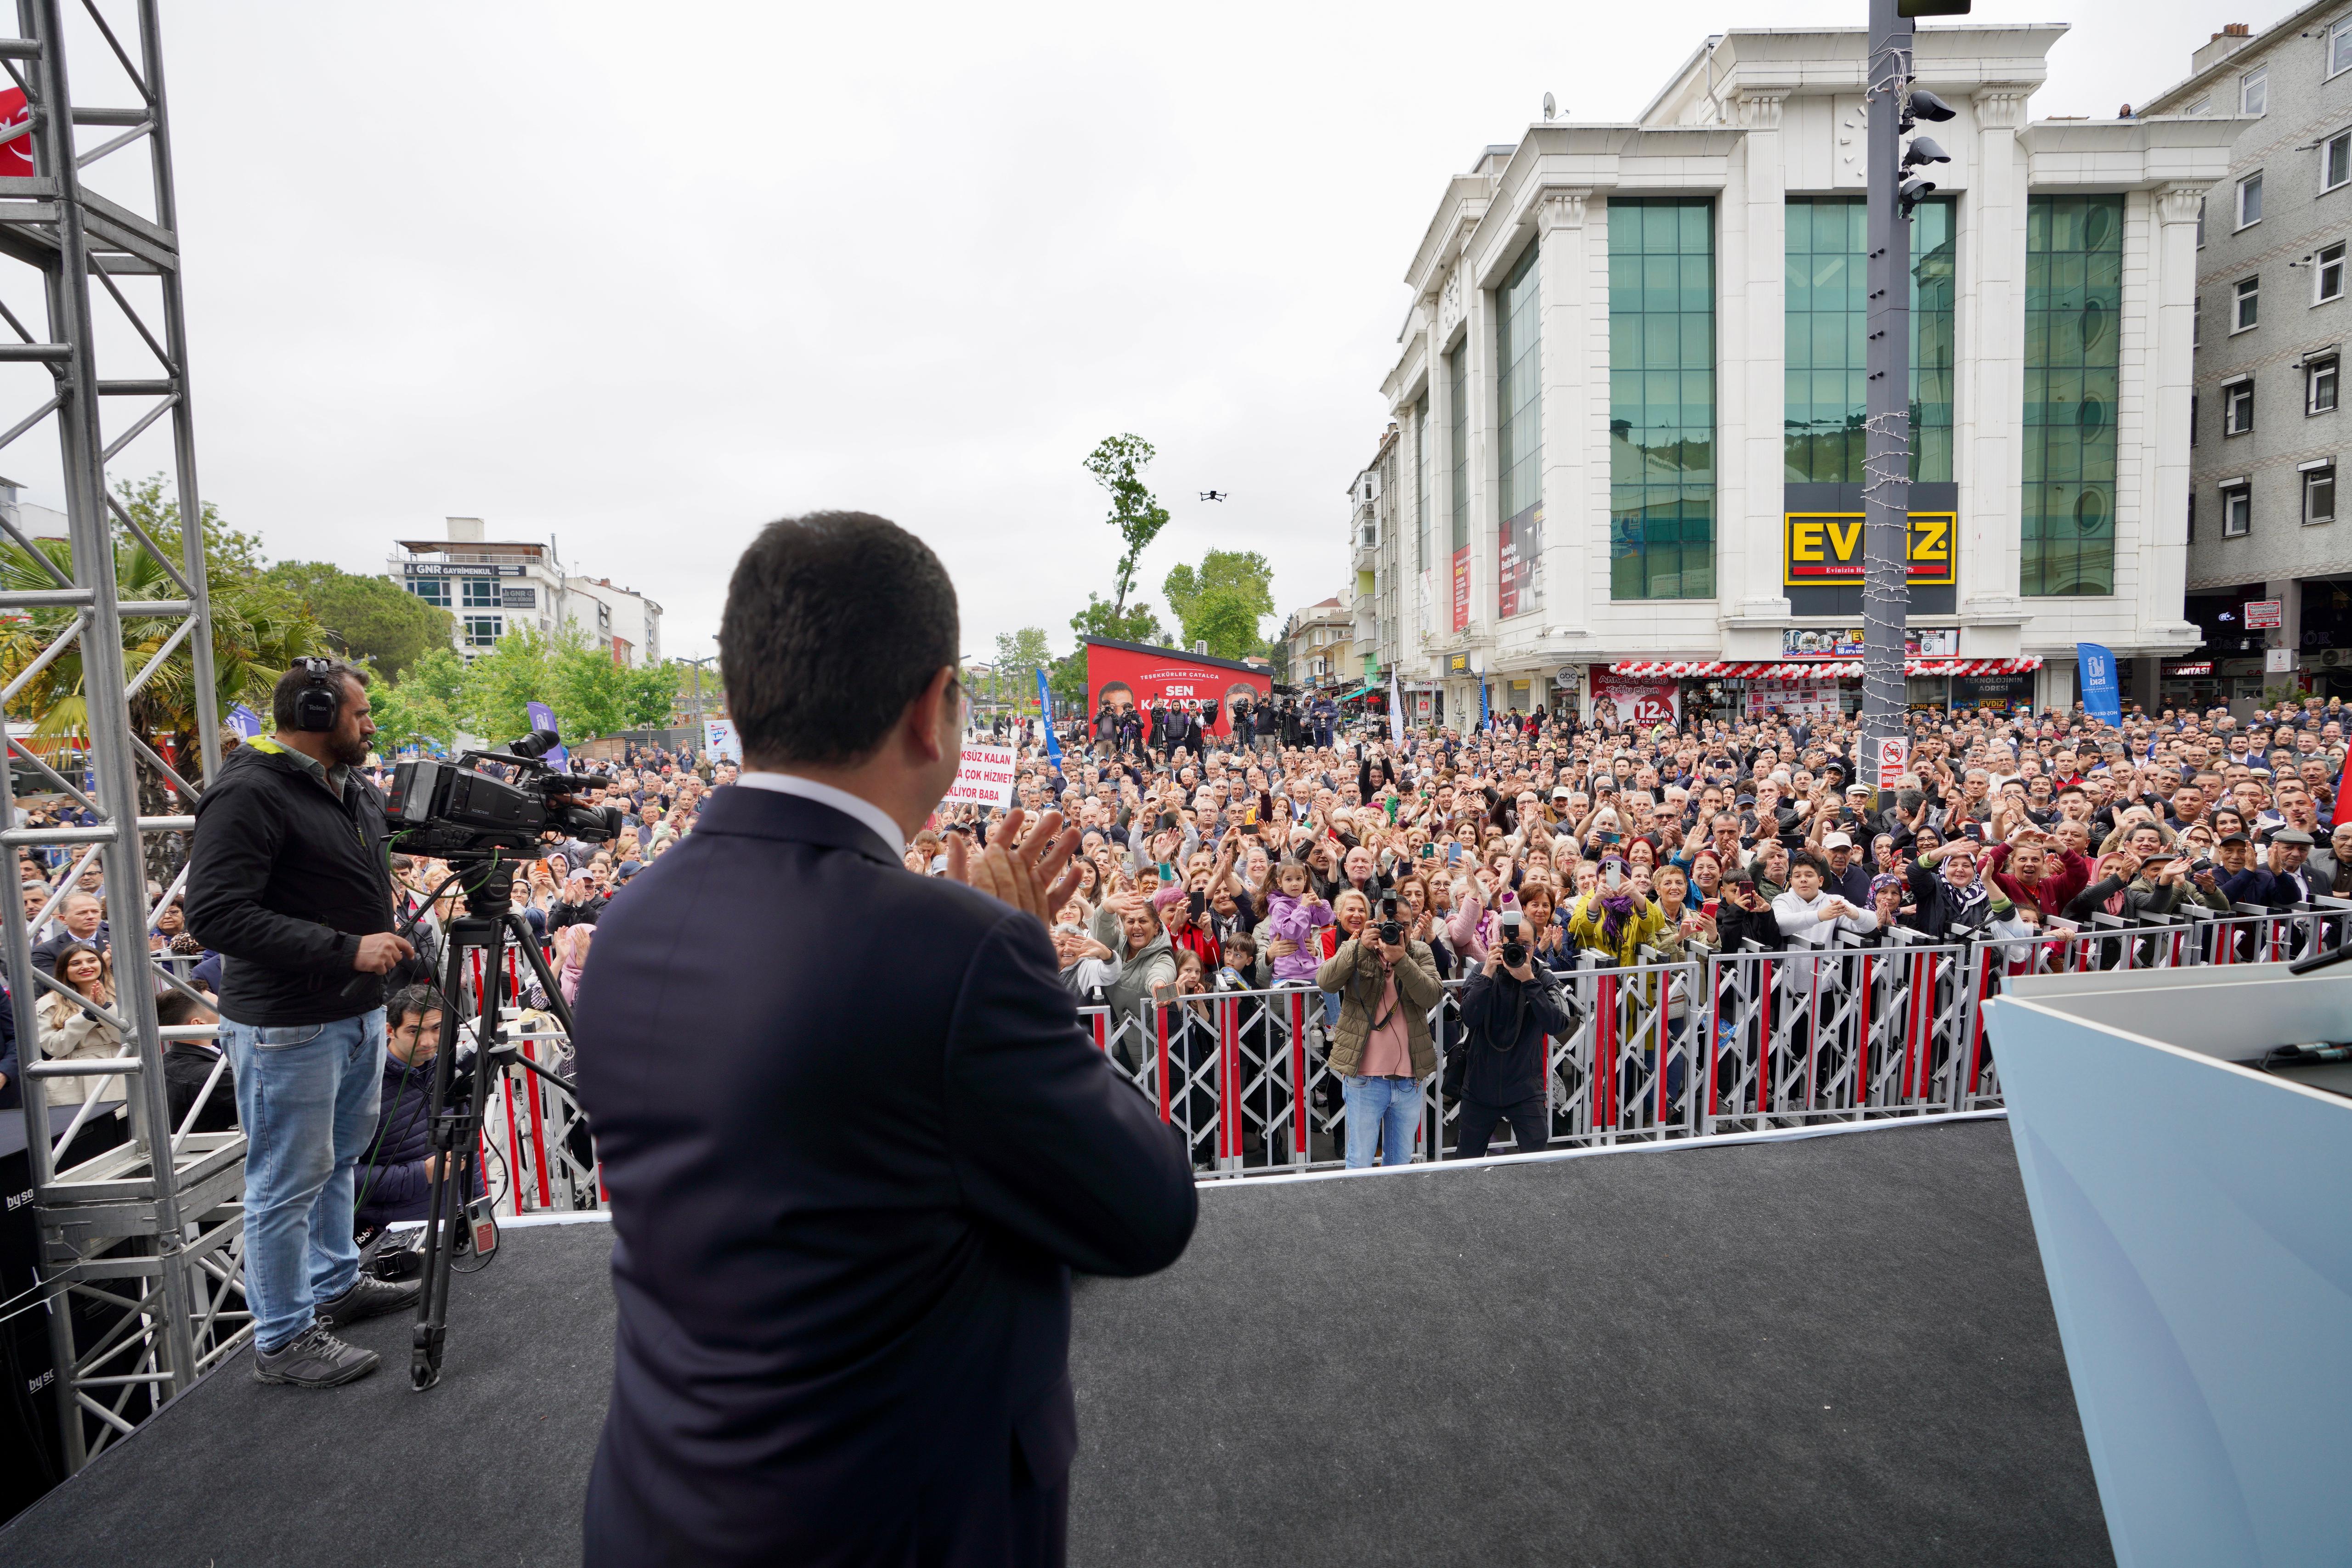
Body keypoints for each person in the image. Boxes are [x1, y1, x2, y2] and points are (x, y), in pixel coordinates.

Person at [575, 512, 1196, 1568]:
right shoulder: (957, 953)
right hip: (892, 1526)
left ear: (737, 702)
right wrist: (1023, 961)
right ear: (931, 711)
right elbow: (1145, 1212)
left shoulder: (632, 918)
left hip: (657, 1504)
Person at [183, 657, 420, 1389]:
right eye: (360, 713)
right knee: (286, 1181)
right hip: (290, 1025)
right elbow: (214, 914)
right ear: (316, 715)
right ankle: (283, 1337)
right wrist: (347, 949)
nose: (371, 724)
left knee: (340, 1155)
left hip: (353, 1013)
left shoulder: (343, 786)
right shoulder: (249, 790)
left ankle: (336, 1284)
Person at [1315, 894, 1441, 1167]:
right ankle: (1358, 1211)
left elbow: (1431, 996)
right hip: (1364, 1078)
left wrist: (1402, 961)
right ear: (1375, 924)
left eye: (1404, 925)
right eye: (1388, 925)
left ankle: (1395, 1212)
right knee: (1360, 1160)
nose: (1396, 931)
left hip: (1409, 1080)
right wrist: (1358, 947)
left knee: (1400, 1162)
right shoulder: (1358, 948)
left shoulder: (1420, 952)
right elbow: (1326, 982)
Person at [353, 985, 480, 1232]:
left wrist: (477, 1211)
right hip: (390, 1236)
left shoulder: (448, 1076)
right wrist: (422, 1174)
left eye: (437, 1029)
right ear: (390, 1030)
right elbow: (338, 1178)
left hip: (453, 1228)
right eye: (414, 1031)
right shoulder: (362, 1087)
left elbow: (468, 1159)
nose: (428, 1042)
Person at [1450, 922, 1567, 1157]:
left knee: (1535, 1164)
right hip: (1479, 1088)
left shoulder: (1542, 977)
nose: (1520, 951)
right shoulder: (1483, 971)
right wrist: (1487, 976)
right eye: (1513, 945)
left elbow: (1558, 1025)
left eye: (1526, 945)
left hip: (1526, 1089)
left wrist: (1529, 982)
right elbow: (1468, 1018)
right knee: (1465, 1164)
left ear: (1536, 945)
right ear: (1500, 944)